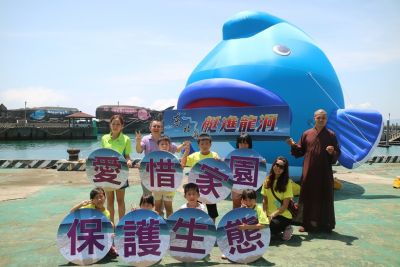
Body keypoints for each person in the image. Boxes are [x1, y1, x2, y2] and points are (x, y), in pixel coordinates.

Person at [286, 109, 340, 233]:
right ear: (314, 118)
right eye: (318, 117)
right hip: (309, 170)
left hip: (324, 172)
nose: (321, 120)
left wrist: (333, 152)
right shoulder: (306, 134)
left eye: (323, 118)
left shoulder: (331, 135)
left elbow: (337, 154)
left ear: (326, 119)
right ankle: (306, 223)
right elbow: (300, 151)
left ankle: (326, 224)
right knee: (307, 196)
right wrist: (293, 145)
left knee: (325, 196)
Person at [101, 115, 132, 225]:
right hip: (107, 173)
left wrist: (129, 161)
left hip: (121, 173)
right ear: (110, 125)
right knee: (109, 200)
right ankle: (111, 225)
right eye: (113, 123)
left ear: (122, 126)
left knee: (120, 200)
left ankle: (121, 225)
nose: (115, 126)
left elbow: (127, 156)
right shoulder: (104, 138)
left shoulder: (126, 139)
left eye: (118, 124)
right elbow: (102, 155)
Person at [181, 133, 219, 223]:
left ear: (210, 144)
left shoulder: (214, 155)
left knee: (212, 211)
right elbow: (183, 164)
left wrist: (218, 161)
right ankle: (198, 227)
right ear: (198, 145)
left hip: (211, 187)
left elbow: (219, 169)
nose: (204, 146)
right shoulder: (194, 155)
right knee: (198, 209)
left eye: (207, 143)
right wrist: (186, 153)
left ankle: (212, 228)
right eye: (202, 144)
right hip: (197, 187)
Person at [70, 187, 118, 258]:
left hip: (97, 235)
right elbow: (72, 212)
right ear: (92, 200)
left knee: (111, 224)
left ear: (105, 197)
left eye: (101, 196)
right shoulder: (89, 207)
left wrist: (111, 235)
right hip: (86, 234)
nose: (99, 199)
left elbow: (106, 228)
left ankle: (110, 247)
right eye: (96, 197)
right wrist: (81, 204)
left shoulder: (106, 213)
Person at [261, 157, 294, 241]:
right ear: (273, 165)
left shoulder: (287, 183)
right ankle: (274, 231)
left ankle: (287, 227)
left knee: (269, 227)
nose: (278, 168)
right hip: (269, 215)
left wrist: (271, 216)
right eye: (277, 165)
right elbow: (265, 201)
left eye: (281, 167)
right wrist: (264, 215)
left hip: (282, 215)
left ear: (284, 170)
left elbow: (284, 207)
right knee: (255, 223)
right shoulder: (266, 180)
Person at [152, 135, 176, 218]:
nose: (164, 146)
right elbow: (150, 172)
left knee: (169, 207)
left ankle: (170, 226)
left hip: (169, 187)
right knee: (157, 207)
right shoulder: (154, 157)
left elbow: (178, 172)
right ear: (158, 146)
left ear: (169, 146)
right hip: (156, 186)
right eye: (162, 144)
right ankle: (158, 225)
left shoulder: (173, 158)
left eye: (166, 144)